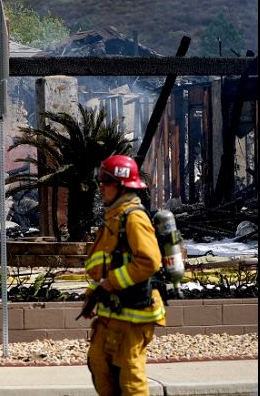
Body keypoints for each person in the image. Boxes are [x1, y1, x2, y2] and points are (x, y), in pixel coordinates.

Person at [80, 154, 166, 396]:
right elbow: (107, 266)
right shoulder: (114, 218)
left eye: (106, 183)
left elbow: (150, 261)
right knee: (99, 363)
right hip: (113, 311)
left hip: (135, 313)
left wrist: (111, 283)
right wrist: (94, 293)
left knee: (129, 376)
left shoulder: (134, 218)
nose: (101, 189)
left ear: (121, 186)